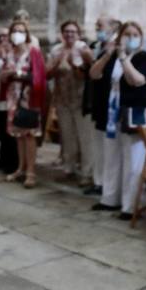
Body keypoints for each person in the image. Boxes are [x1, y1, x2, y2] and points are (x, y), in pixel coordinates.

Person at [88, 20, 146, 221]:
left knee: (133, 162)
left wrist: (124, 57)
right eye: (127, 34)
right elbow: (94, 74)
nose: (131, 38)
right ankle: (109, 198)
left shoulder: (145, 57)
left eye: (135, 35)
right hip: (112, 114)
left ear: (141, 38)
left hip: (133, 115)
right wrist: (109, 54)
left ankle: (130, 205)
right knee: (111, 156)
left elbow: (137, 80)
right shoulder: (112, 57)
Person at [0, 18, 46, 188]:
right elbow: (3, 74)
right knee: (18, 133)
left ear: (26, 34)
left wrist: (15, 72)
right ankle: (21, 167)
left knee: (29, 134)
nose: (17, 33)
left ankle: (31, 171)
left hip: (28, 97)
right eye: (15, 30)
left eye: (21, 31)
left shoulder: (33, 52)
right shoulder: (9, 52)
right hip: (13, 96)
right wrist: (6, 74)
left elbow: (38, 77)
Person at [47, 20, 94, 184]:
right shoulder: (56, 50)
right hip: (62, 98)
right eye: (66, 31)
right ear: (62, 33)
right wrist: (57, 63)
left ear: (78, 34)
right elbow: (47, 74)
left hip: (81, 99)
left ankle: (87, 173)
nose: (69, 34)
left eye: (73, 32)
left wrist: (76, 65)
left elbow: (89, 73)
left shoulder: (83, 49)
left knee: (84, 137)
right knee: (67, 136)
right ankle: (69, 168)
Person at [0, 28, 20, 175]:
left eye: (4, 36)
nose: (2, 39)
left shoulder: (15, 51)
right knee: (1, 129)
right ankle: (3, 158)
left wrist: (6, 54)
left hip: (11, 97)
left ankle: (13, 162)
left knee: (10, 131)